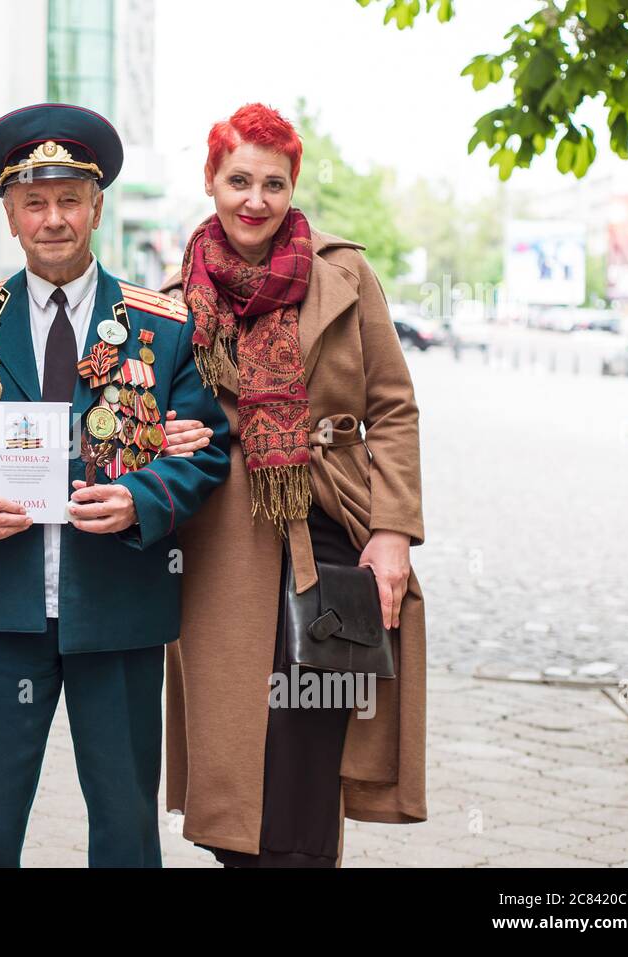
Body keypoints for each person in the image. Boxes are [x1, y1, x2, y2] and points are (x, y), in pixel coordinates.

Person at [0, 104, 231, 868]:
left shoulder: (162, 326)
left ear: (97, 207)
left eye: (70, 199)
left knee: (128, 825)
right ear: (10, 215)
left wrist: (142, 497)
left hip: (119, 608)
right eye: (35, 202)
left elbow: (205, 450)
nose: (54, 218)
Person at [159, 103, 427, 867]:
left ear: (291, 187)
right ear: (211, 180)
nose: (255, 199)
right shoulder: (173, 296)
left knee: (310, 751)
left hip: (336, 537)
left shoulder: (345, 273)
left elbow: (394, 408)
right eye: (238, 179)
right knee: (231, 763)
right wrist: (168, 437)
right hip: (220, 549)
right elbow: (143, 421)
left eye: (273, 183)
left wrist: (393, 532)